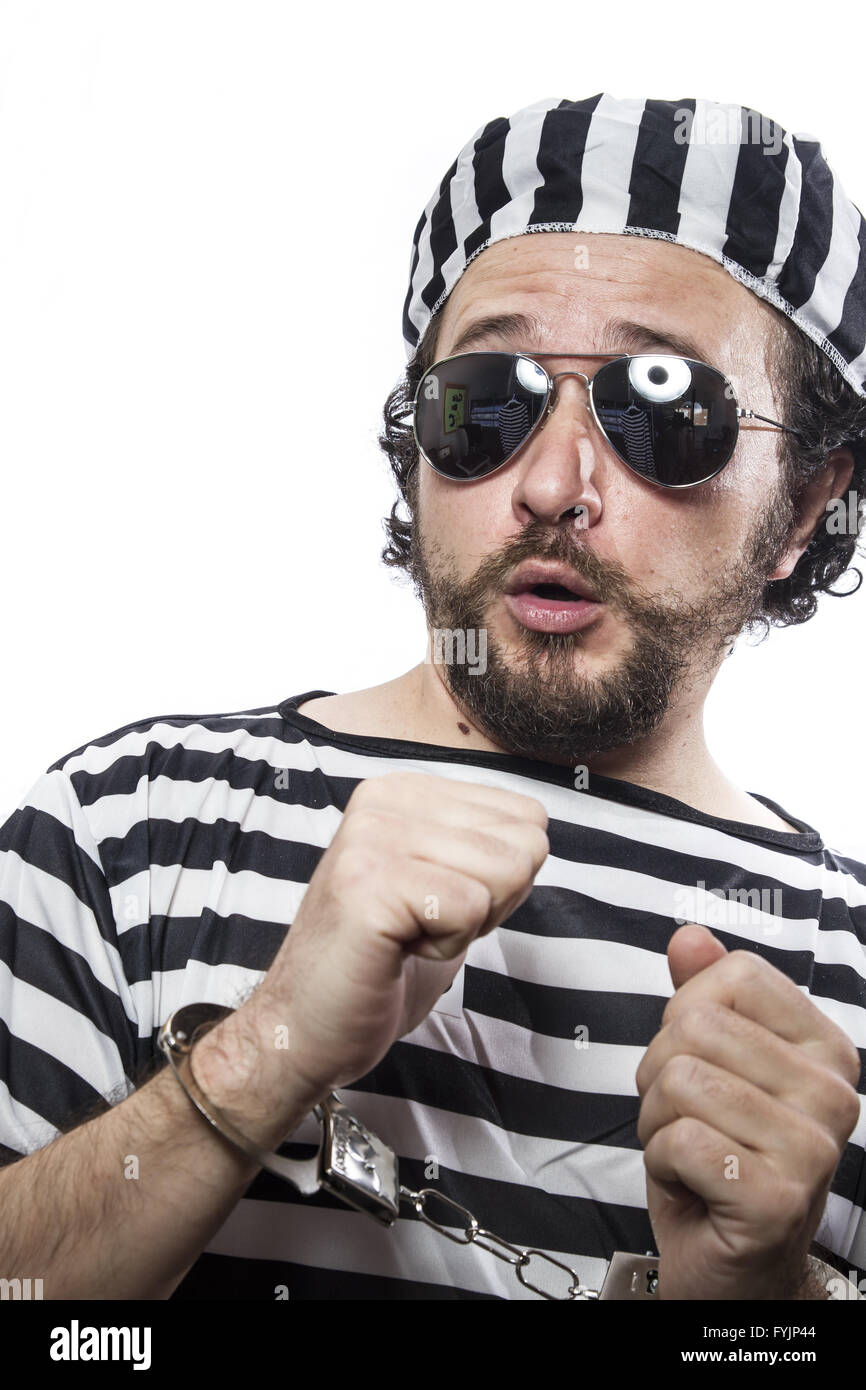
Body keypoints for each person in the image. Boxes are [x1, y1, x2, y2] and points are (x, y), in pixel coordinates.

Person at [1, 93, 865, 1302]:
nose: (553, 484)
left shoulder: (844, 963)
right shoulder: (130, 825)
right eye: (488, 399)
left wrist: (761, 1299)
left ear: (806, 506)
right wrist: (256, 1061)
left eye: (662, 409)